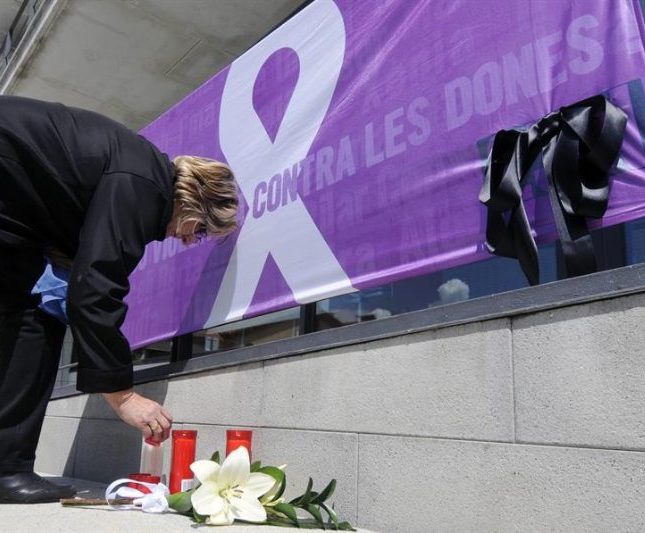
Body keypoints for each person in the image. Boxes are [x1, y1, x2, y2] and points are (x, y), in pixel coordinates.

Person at [0, 96, 239, 503]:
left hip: (15, 213)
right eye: (200, 230)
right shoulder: (146, 183)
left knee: (28, 319)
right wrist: (123, 396)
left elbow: (79, 260)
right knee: (34, 321)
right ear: (193, 202)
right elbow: (96, 287)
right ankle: (7, 467)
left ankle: (6, 469)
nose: (188, 240)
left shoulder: (137, 172)